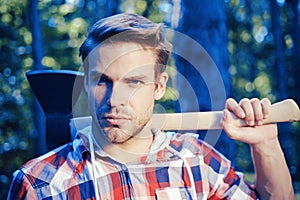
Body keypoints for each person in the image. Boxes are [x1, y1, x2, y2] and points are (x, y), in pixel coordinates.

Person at [7, 13, 294, 200]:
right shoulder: (37, 183)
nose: (114, 99)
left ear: (158, 87)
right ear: (84, 84)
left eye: (134, 82)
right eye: (102, 81)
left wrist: (266, 145)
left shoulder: (196, 160)